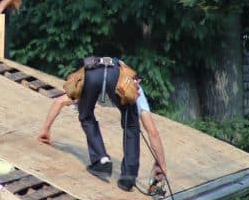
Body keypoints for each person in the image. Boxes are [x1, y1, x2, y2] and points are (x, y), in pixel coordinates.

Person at [37, 57, 168, 192]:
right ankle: (128, 177)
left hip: (92, 74)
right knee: (132, 126)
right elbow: (152, 132)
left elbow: (59, 102)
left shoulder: (86, 82)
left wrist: (45, 130)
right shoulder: (135, 90)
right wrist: (162, 166)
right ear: (137, 82)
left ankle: (101, 160)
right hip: (116, 79)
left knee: (86, 117)